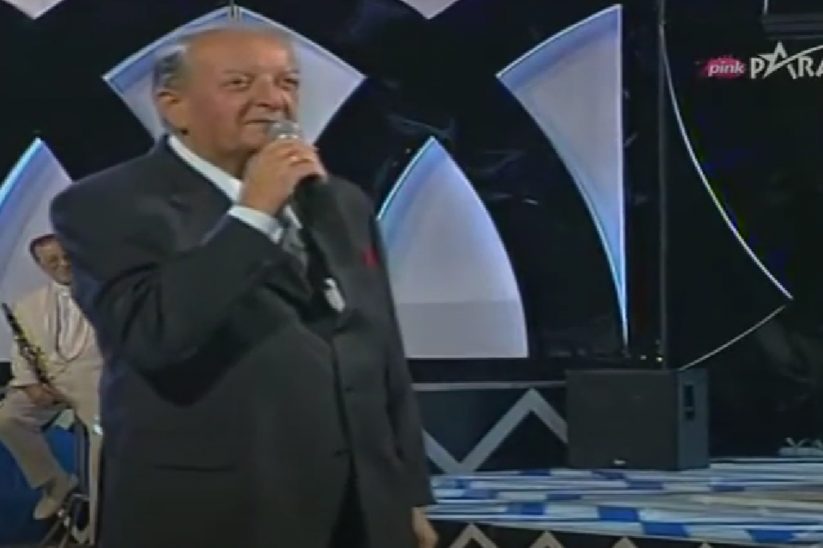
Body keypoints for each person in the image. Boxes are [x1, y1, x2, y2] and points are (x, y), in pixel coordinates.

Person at [49, 24, 437, 548]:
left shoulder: (339, 201)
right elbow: (152, 334)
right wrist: (253, 214)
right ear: (173, 106)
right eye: (240, 83)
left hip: (362, 507)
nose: (273, 100)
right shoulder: (104, 204)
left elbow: (379, 344)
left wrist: (406, 493)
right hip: (215, 512)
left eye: (287, 82)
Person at [0, 234, 102, 537]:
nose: (63, 264)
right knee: (7, 419)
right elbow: (21, 353)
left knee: (101, 445)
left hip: (96, 383)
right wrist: (31, 385)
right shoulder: (27, 304)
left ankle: (100, 521)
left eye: (67, 256)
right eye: (52, 260)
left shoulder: (106, 294)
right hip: (49, 383)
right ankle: (56, 483)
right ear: (41, 266)